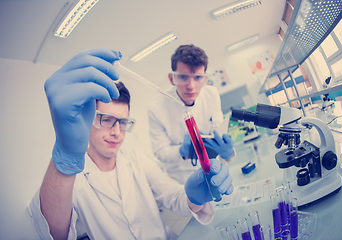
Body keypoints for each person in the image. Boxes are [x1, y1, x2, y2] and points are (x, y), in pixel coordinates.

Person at [29, 48, 234, 240]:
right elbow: (52, 233)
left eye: (123, 122)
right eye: (107, 119)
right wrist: (65, 154)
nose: (116, 132)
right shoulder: (71, 179)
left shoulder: (137, 161)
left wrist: (194, 198)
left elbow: (174, 196)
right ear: (87, 118)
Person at [148, 44, 236, 184]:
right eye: (183, 77)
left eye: (198, 77)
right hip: (182, 178)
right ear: (172, 79)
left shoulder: (211, 94)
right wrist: (182, 150)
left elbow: (218, 129)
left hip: (214, 169)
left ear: (205, 79)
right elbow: (160, 151)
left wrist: (228, 153)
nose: (191, 85)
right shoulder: (156, 107)